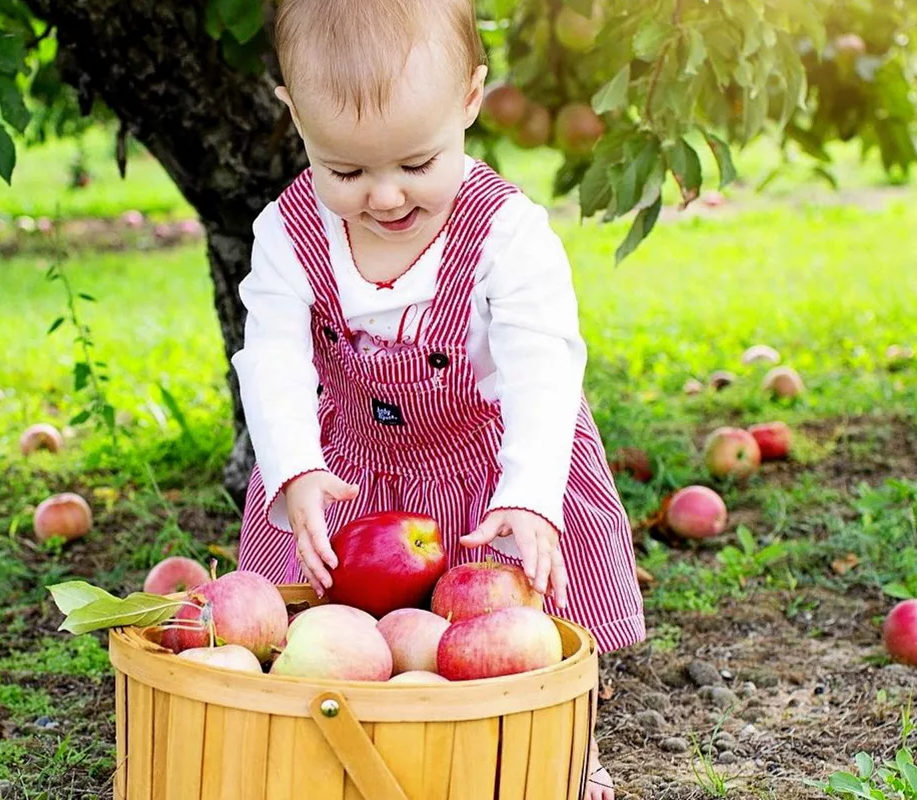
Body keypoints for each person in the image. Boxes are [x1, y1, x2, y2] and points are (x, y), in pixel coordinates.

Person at [231, 1, 646, 795]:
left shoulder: (504, 233)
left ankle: (565, 747)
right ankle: (350, 747)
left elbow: (541, 368)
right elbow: (272, 356)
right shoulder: (287, 233)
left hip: (486, 472)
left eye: (415, 164)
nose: (385, 197)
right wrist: (294, 468)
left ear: (469, 99)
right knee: (347, 632)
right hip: (352, 472)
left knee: (521, 626)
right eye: (346, 172)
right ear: (294, 117)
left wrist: (529, 495)